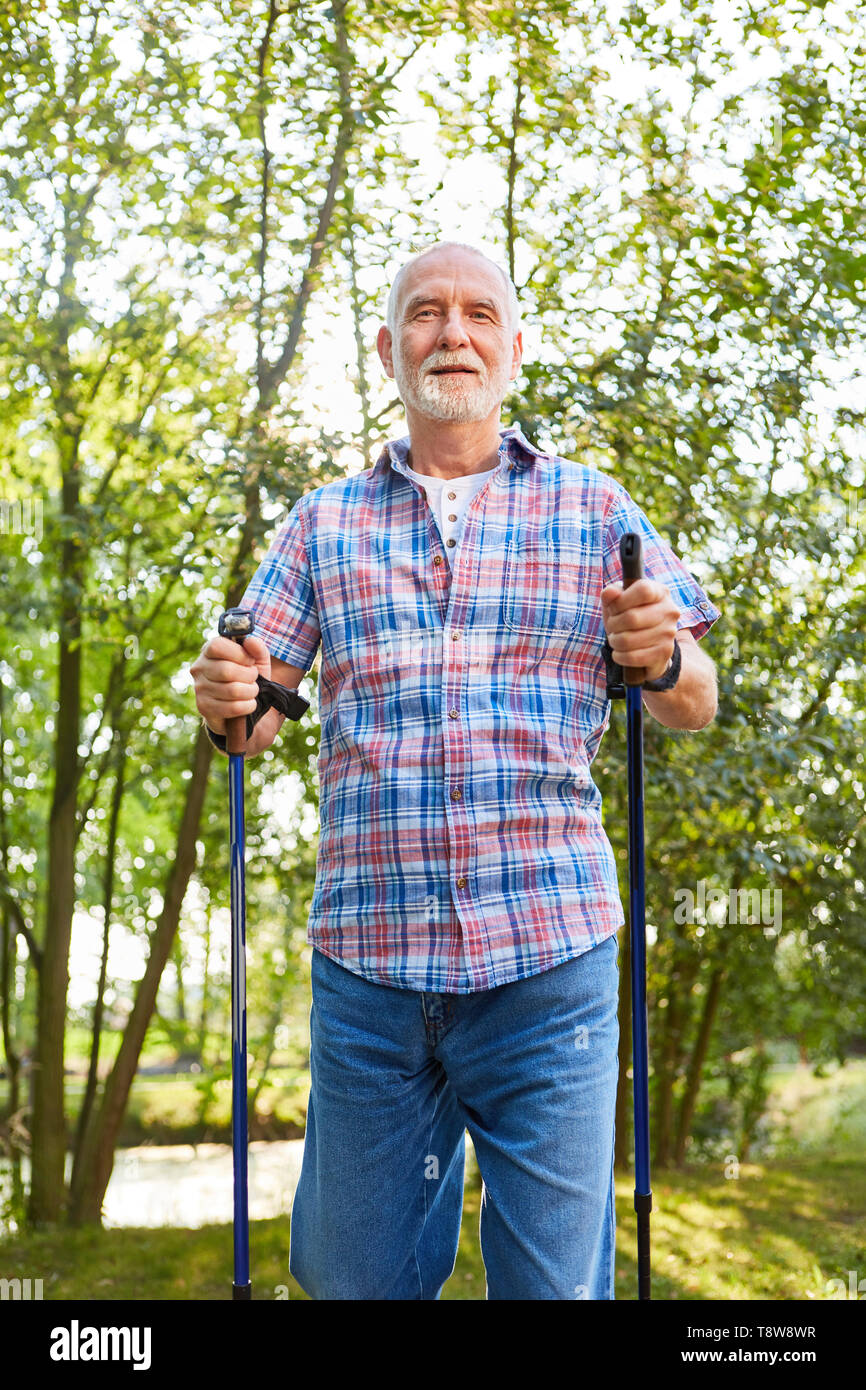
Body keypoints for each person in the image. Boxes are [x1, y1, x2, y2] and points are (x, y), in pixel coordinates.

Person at [190, 241, 721, 1300]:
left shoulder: (591, 509)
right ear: (388, 348)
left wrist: (657, 649)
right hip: (369, 968)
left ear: (513, 348)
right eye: (426, 313)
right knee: (350, 1281)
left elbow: (692, 697)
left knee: (550, 1291)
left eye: (480, 314)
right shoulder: (321, 522)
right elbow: (250, 719)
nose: (453, 331)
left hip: (548, 963)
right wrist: (227, 699)